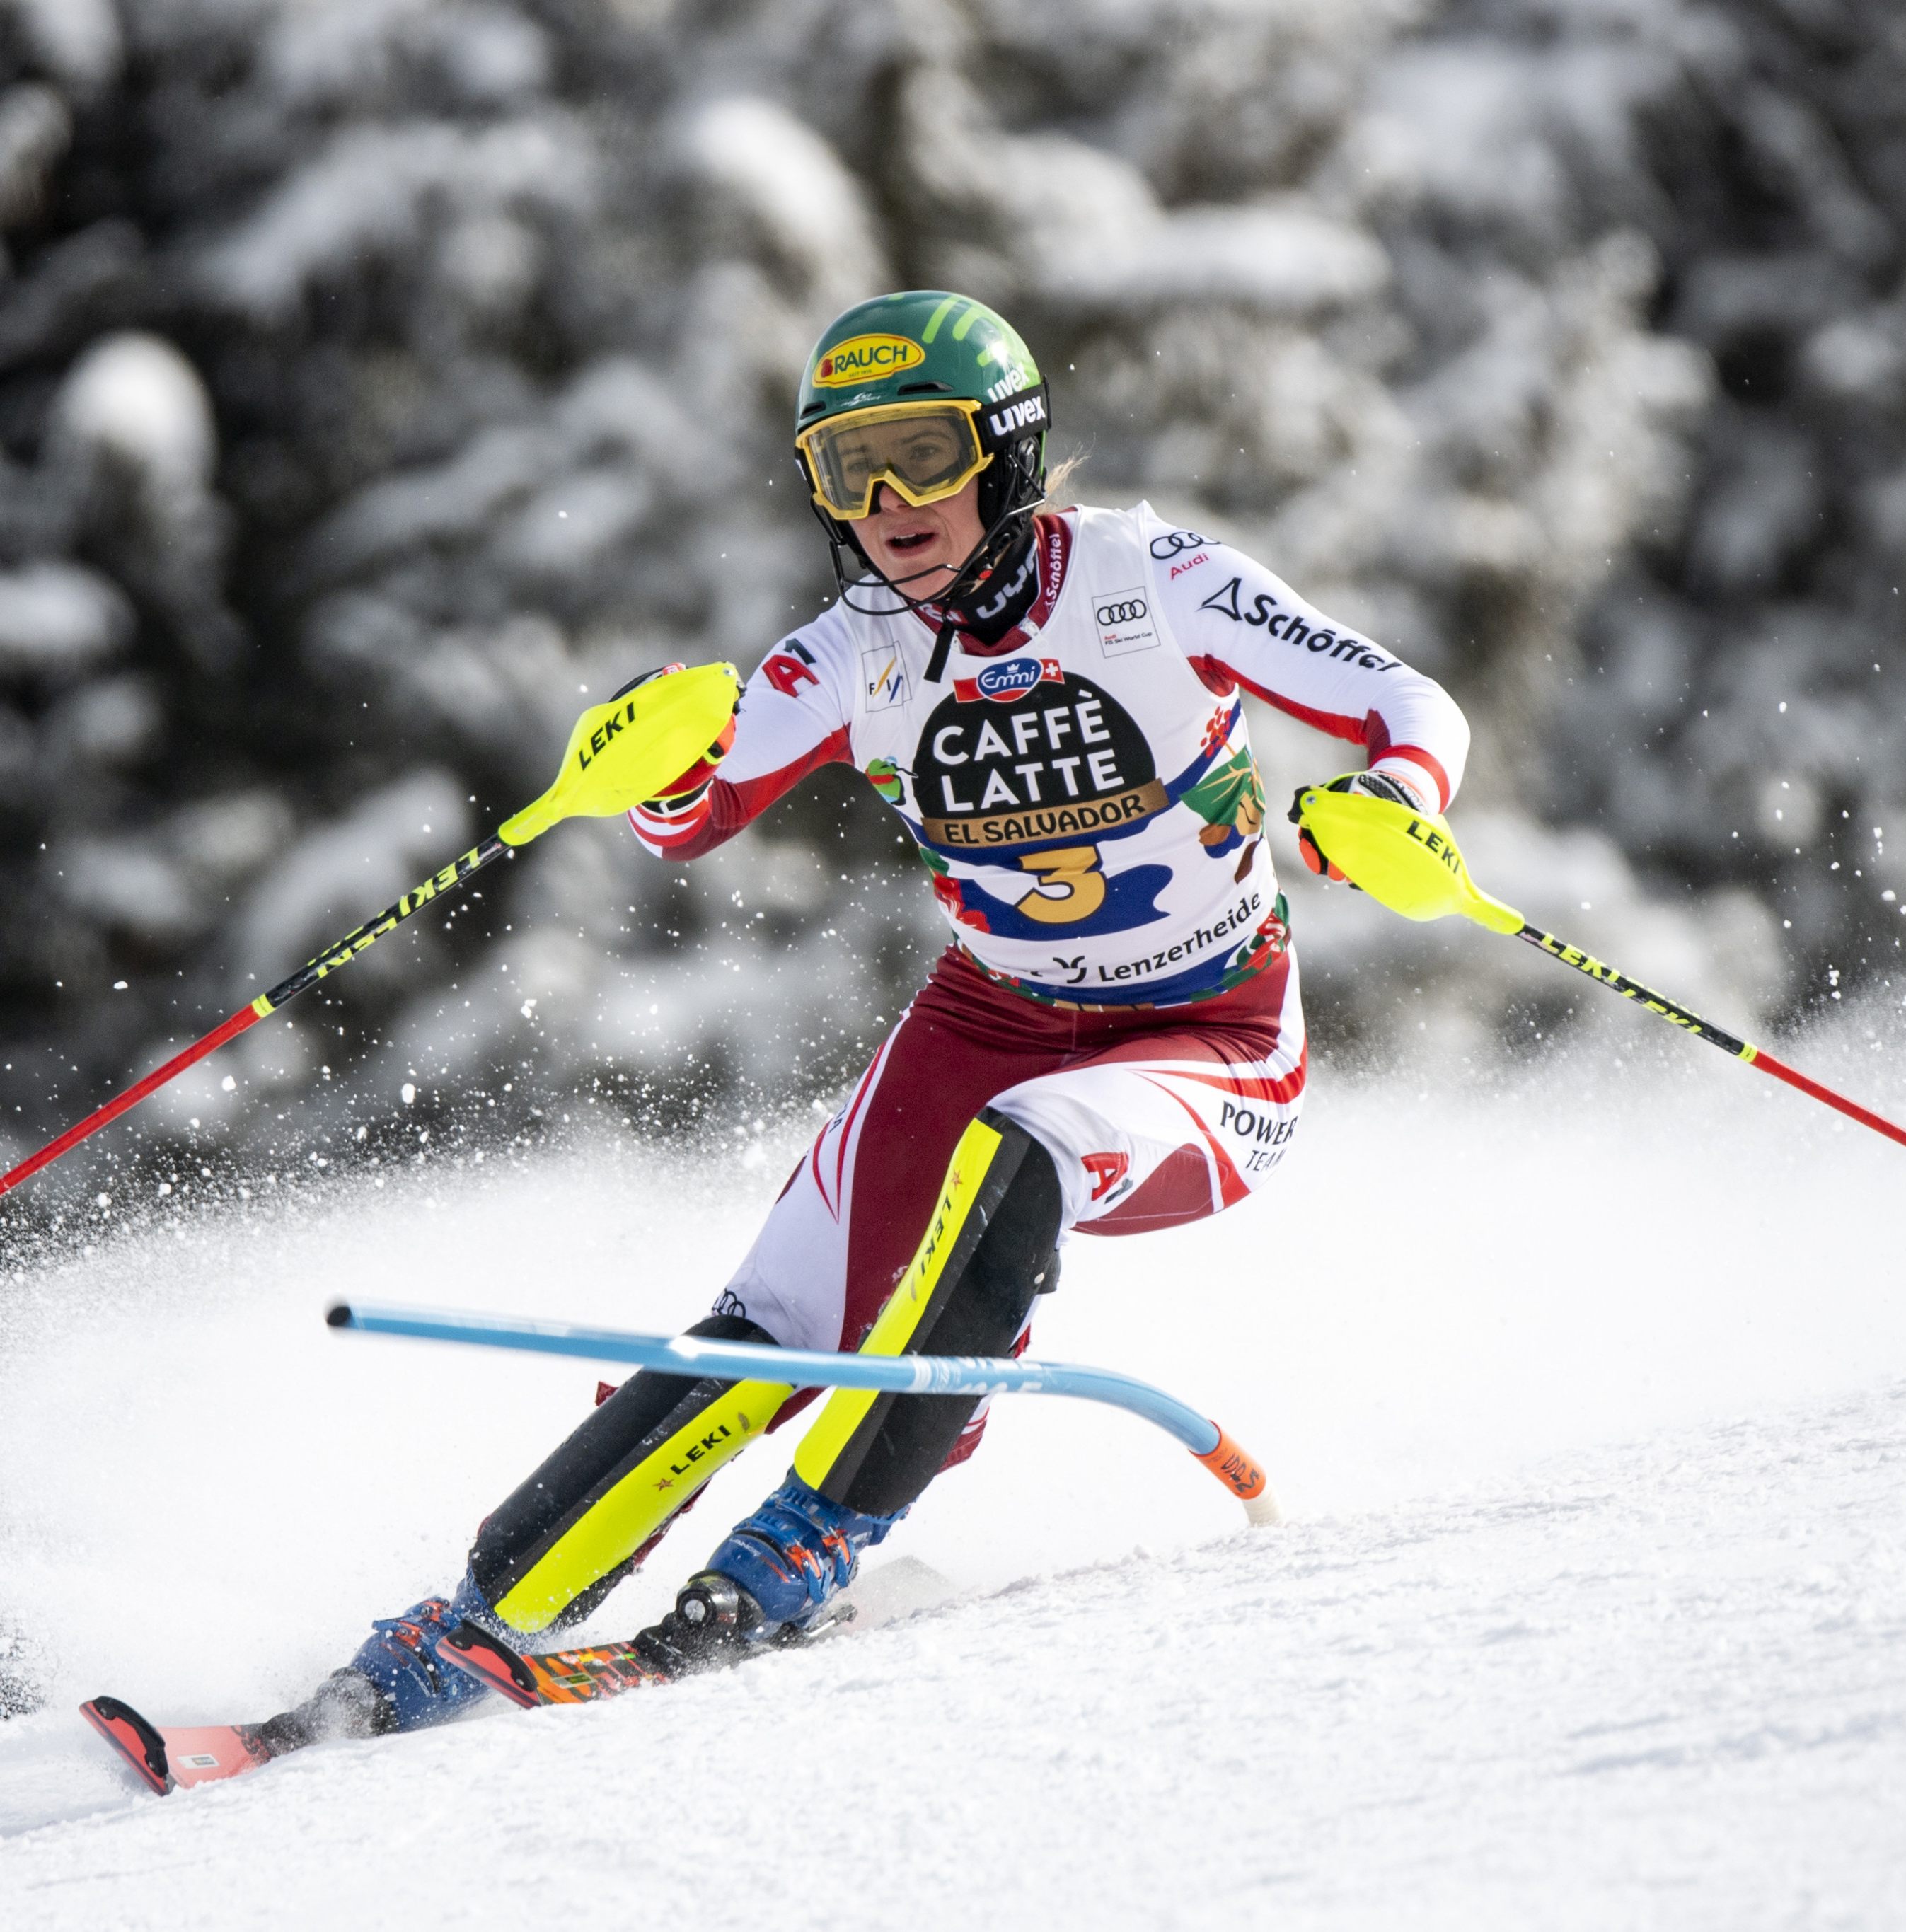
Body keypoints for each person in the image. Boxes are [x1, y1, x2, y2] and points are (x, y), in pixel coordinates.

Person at [265, 289, 1470, 1745]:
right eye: (847, 469)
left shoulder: (1156, 579)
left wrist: (1393, 804)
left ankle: (803, 1544)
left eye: (919, 453)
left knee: (1020, 1150)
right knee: (771, 1322)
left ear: (1005, 451)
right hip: (989, 1017)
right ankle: (477, 1615)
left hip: (1210, 1047)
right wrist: (653, 756)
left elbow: (1408, 703)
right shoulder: (852, 648)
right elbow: (692, 817)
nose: (890, 503)